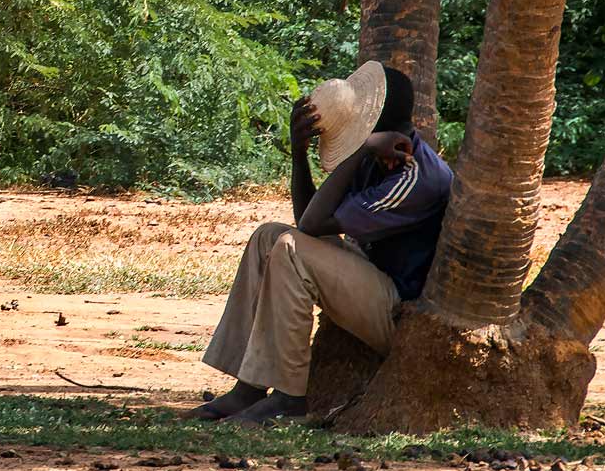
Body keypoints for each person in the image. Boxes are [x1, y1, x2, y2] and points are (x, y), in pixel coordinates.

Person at [185, 61, 453, 424]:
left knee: (291, 250)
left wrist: (361, 147)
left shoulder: (414, 177)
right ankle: (247, 387)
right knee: (270, 236)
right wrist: (299, 153)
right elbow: (308, 223)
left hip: (399, 311)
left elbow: (310, 227)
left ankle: (290, 396)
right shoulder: (375, 158)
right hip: (370, 281)